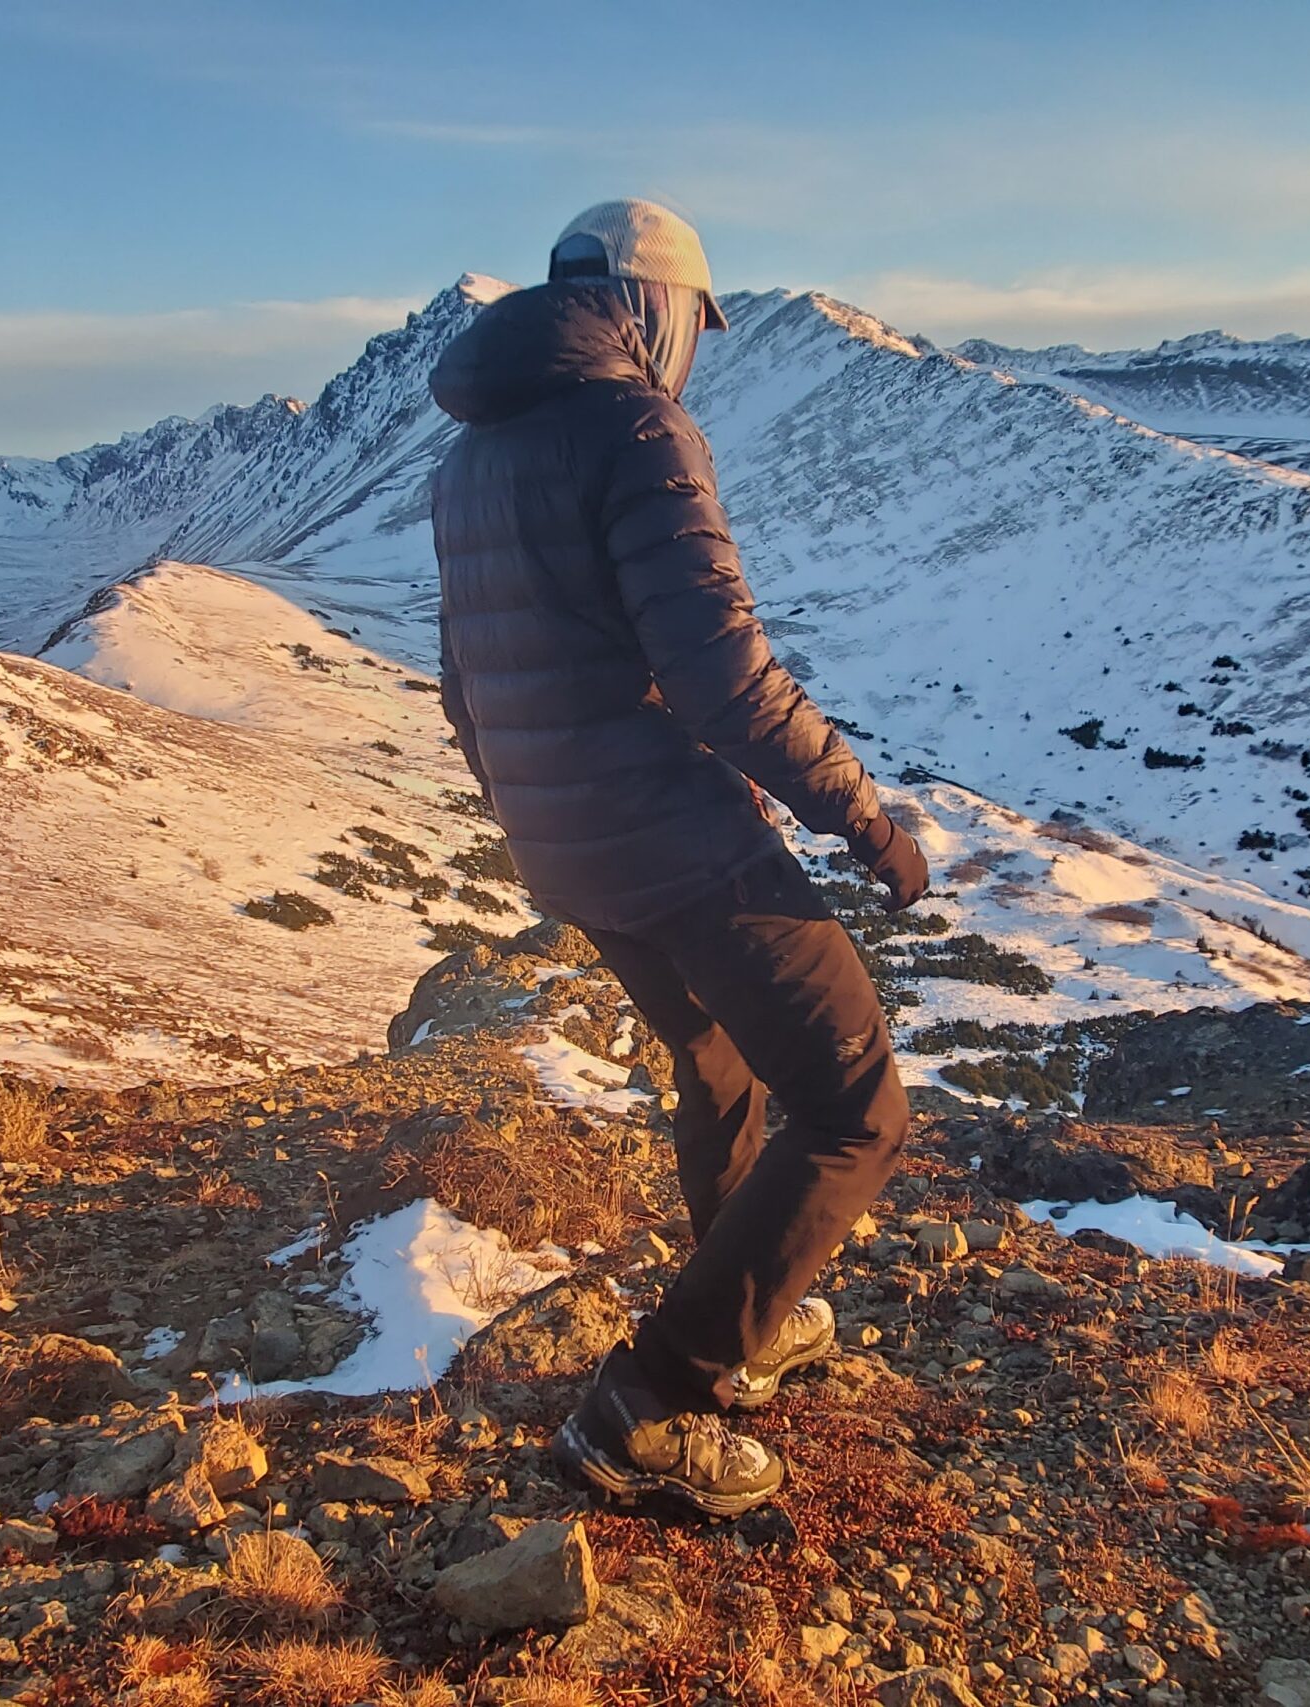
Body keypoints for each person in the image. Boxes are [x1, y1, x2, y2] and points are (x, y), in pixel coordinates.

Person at [427, 199, 929, 1517]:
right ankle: (657, 1403)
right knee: (855, 1105)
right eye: (693, 323)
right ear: (655, 307)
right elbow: (721, 680)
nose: (692, 350)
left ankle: (738, 1329)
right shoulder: (636, 428)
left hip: (572, 846)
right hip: (669, 836)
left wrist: (541, 816)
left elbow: (462, 691)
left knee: (716, 1077)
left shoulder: (467, 459)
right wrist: (866, 821)